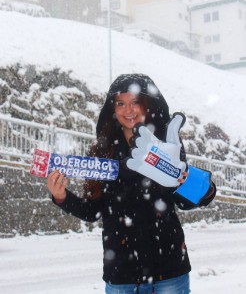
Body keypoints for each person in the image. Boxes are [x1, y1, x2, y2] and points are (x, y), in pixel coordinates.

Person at [47, 73, 216, 294]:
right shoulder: (103, 152)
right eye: (120, 103)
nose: (128, 110)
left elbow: (186, 200)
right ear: (112, 109)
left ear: (148, 105)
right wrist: (62, 197)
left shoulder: (167, 145)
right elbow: (94, 211)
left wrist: (193, 183)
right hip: (121, 274)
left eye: (135, 102)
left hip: (168, 270)